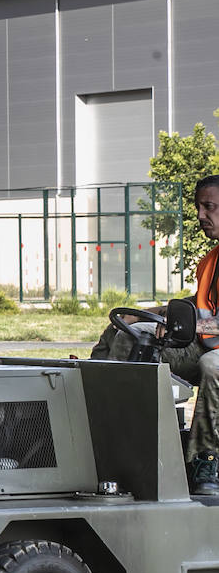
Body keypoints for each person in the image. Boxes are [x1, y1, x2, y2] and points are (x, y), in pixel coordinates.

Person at [105, 174, 219, 495]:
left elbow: (201, 322)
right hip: (206, 345)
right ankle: (119, 435)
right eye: (198, 207)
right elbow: (200, 308)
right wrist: (155, 314)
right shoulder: (210, 261)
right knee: (134, 333)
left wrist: (192, 326)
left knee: (214, 364)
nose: (200, 215)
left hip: (213, 354)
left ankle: (206, 461)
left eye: (208, 207)